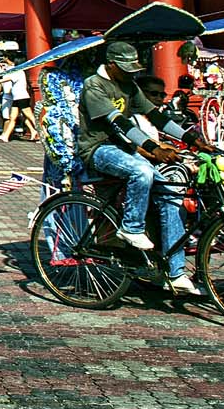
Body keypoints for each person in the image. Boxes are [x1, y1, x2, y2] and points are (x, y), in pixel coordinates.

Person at [77, 41, 202, 297]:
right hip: (98, 149)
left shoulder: (129, 85)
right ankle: (131, 228)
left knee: (170, 197)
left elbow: (155, 116)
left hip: (125, 150)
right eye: (126, 68)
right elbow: (119, 122)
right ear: (111, 65)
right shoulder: (94, 86)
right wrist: (152, 148)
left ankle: (176, 272)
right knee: (141, 171)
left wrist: (190, 138)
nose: (132, 73)